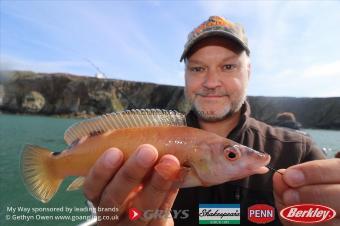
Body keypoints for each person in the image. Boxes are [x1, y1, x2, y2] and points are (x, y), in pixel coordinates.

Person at [83, 16, 340, 226]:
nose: (211, 82)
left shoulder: (298, 151)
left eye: (228, 67)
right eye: (197, 68)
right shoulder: (158, 134)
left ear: (248, 71)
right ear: (185, 74)